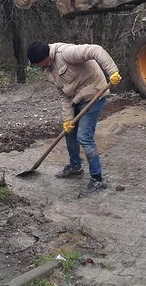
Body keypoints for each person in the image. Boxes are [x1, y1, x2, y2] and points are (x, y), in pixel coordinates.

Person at [26, 41, 122, 193]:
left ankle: (97, 179)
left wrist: (112, 71)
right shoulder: (48, 70)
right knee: (69, 132)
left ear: (45, 58)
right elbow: (63, 95)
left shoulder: (66, 53)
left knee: (84, 136)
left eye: (38, 63)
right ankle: (75, 167)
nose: (38, 67)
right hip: (76, 98)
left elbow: (95, 50)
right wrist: (67, 120)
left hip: (94, 94)